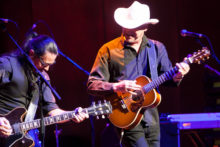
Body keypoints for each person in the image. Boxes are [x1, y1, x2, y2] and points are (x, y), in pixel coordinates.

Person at [87, 1, 190, 147]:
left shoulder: (156, 48)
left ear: (145, 27)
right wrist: (117, 86)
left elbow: (168, 78)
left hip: (152, 118)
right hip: (125, 116)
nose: (128, 30)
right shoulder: (108, 50)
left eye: (134, 27)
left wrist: (179, 75)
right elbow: (92, 85)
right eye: (126, 25)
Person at [0, 33, 89, 138]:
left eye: (50, 65)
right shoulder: (7, 65)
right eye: (44, 64)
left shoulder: (43, 77)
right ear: (32, 53)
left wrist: (72, 114)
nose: (47, 69)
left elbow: (51, 111)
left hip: (20, 138)